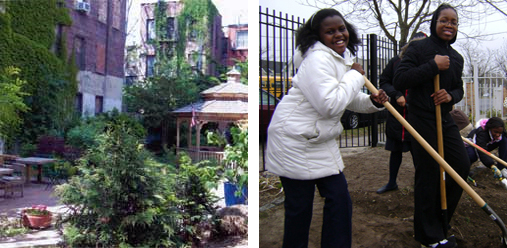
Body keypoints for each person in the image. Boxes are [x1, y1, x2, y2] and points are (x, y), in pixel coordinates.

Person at [265, 8, 388, 248]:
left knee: (339, 200)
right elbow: (330, 106)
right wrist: (355, 76)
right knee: (299, 210)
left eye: (341, 28)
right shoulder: (317, 59)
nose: (338, 34)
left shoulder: (336, 59)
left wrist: (372, 101)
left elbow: (347, 98)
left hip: (317, 141)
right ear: (317, 36)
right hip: (294, 141)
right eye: (329, 31)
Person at [393, 3, 470, 248]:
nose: (449, 25)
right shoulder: (418, 48)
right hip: (421, 118)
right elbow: (400, 79)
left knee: (460, 166)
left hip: (444, 119)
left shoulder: (457, 58)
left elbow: (459, 88)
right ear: (434, 23)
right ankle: (428, 235)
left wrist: (450, 96)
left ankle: (441, 221)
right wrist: (433, 66)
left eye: (453, 22)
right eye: (444, 20)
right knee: (428, 174)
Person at [376, 31, 427, 194]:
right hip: (397, 115)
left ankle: (422, 186)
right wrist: (396, 94)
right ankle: (392, 182)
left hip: (418, 116)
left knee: (419, 154)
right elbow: (384, 81)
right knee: (396, 150)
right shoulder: (396, 61)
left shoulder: (428, 64)